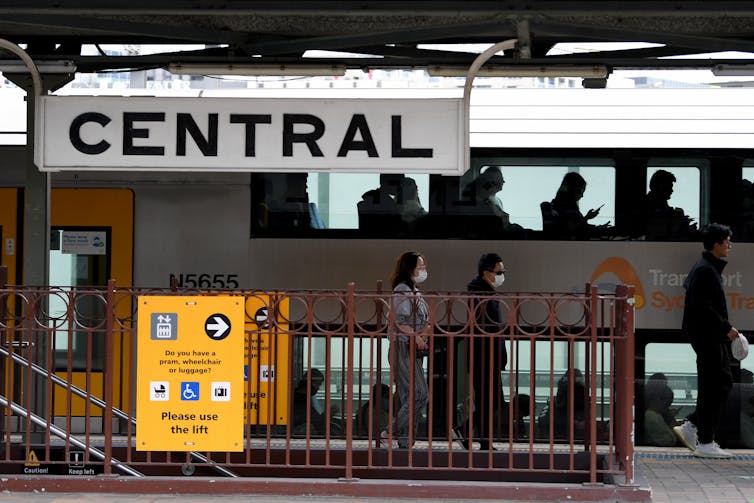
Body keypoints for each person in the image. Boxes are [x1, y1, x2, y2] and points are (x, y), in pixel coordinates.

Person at [673, 223, 740, 458]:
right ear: (716, 244)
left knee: (720, 383)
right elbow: (701, 306)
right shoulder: (705, 270)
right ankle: (705, 440)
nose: (730, 245)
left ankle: (693, 427)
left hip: (710, 335)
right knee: (715, 385)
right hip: (708, 335)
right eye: (727, 241)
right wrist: (726, 327)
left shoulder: (707, 267)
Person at [458, 252, 508, 450]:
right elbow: (487, 326)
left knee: (491, 399)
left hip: (490, 355)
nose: (502, 275)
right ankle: (476, 436)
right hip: (483, 355)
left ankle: (474, 435)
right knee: (490, 399)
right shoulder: (479, 293)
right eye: (499, 272)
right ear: (487, 273)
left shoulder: (486, 292)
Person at [383, 251, 431, 448]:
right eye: (420, 266)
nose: (423, 270)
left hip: (411, 347)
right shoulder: (401, 291)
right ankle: (390, 431)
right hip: (403, 346)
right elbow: (400, 320)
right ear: (410, 268)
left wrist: (423, 332)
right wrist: (416, 335)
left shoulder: (414, 291)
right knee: (420, 394)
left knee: (408, 396)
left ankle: (405, 442)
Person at [637, 169, 697, 240]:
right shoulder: (646, 205)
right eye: (670, 187)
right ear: (661, 187)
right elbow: (659, 231)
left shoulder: (662, 204)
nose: (672, 190)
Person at [460, 167, 519, 236]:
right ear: (490, 183)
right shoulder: (476, 206)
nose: (503, 182)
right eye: (500, 179)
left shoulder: (493, 200)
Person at [549, 172, 606, 239]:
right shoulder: (565, 206)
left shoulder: (557, 204)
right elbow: (571, 228)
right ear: (572, 189)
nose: (582, 195)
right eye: (580, 191)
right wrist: (587, 217)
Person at [643, 373, 678, 447]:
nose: (667, 408)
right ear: (657, 400)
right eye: (667, 404)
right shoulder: (652, 417)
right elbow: (670, 441)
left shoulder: (652, 415)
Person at [292, 368, 326, 435]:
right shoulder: (300, 399)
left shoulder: (307, 397)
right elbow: (315, 420)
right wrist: (328, 414)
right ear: (308, 383)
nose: (318, 388)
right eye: (317, 384)